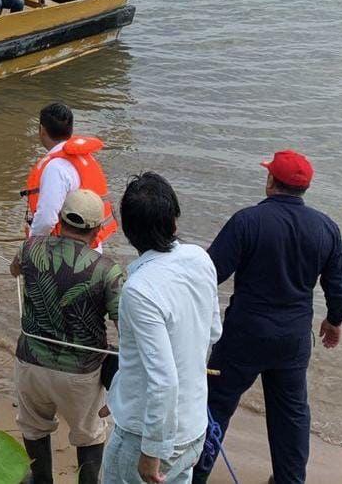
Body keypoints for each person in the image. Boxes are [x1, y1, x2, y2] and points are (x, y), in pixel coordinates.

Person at [193, 151, 342, 484]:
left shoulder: (247, 221)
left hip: (244, 334)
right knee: (291, 415)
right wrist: (335, 320)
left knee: (216, 404)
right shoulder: (326, 228)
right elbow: (339, 285)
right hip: (293, 339)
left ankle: (195, 474)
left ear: (270, 182)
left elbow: (209, 275)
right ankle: (289, 480)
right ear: (304, 188)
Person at [102, 172, 221, 484]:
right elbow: (213, 332)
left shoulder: (139, 289)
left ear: (127, 231)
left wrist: (151, 453)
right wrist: (118, 395)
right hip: (193, 428)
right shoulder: (200, 258)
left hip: (146, 437)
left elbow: (164, 381)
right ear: (174, 221)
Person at [11, 189, 124, 484]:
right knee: (88, 436)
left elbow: (15, 270)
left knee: (34, 428)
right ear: (98, 230)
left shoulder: (29, 248)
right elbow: (125, 326)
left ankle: (41, 480)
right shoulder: (107, 271)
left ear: (60, 221)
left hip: (31, 365)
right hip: (80, 375)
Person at [21, 102, 117, 249]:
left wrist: (31, 246)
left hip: (66, 252)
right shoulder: (85, 158)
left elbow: (46, 219)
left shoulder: (56, 167)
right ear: (70, 130)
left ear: (42, 130)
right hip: (92, 247)